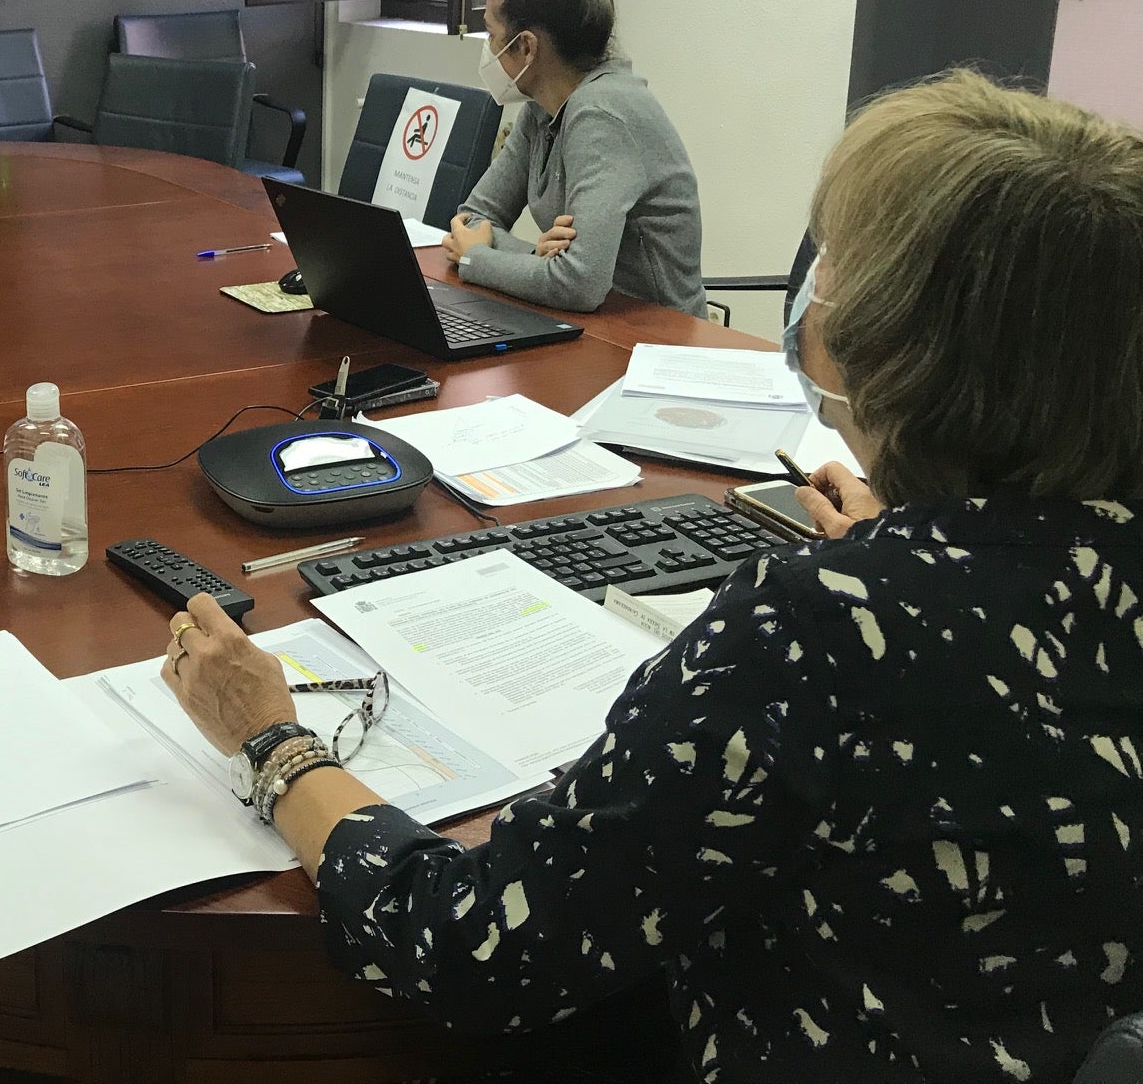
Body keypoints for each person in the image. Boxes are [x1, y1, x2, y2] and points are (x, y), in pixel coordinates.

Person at [162, 70, 1143, 1082]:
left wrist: (272, 741)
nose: (820, 291)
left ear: (898, 339)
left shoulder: (820, 630)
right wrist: (916, 540)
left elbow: (480, 951)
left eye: (838, 265)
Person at [441, 0, 706, 317]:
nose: (488, 47)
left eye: (492, 34)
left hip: (659, 342)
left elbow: (579, 284)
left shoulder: (603, 116)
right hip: (594, 323)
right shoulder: (541, 106)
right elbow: (472, 219)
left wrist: (477, 259)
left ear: (527, 48)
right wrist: (535, 255)